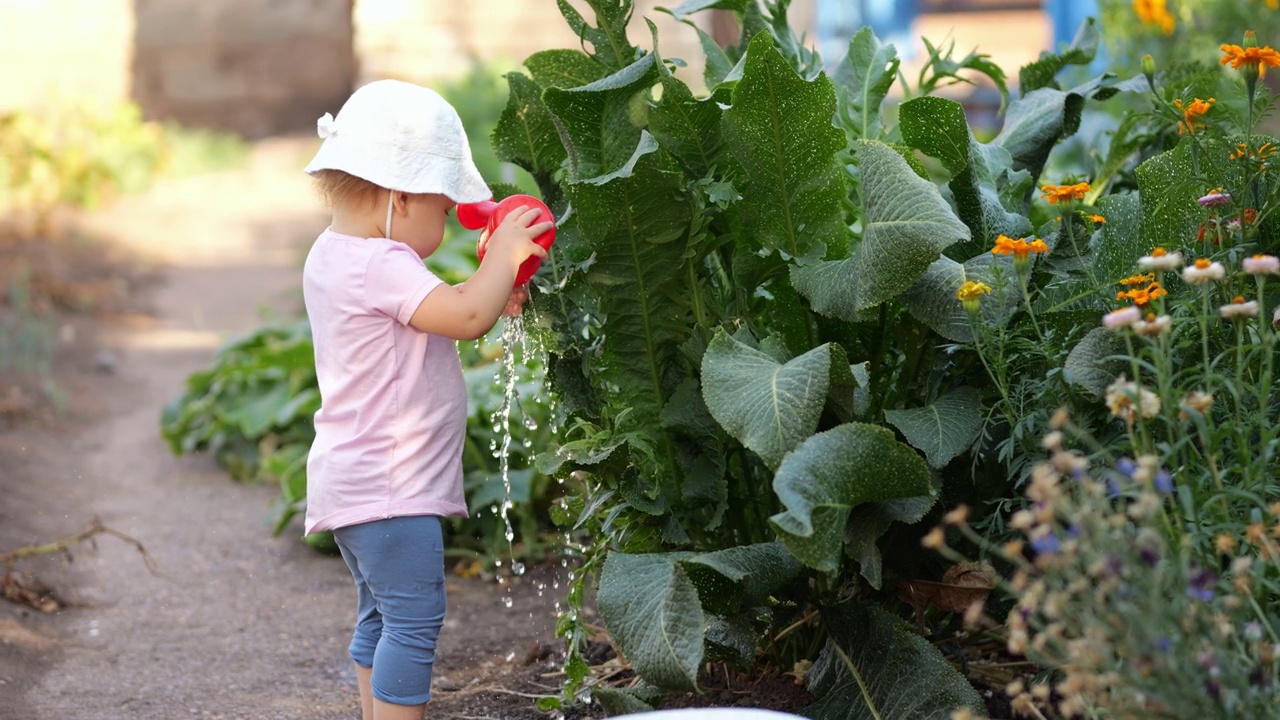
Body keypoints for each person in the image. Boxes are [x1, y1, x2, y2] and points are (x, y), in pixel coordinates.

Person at [300, 79, 552, 720]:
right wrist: (504, 257)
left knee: (381, 618)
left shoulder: (334, 255)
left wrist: (496, 282)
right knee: (414, 623)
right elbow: (467, 315)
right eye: (444, 210)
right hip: (392, 490)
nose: (446, 223)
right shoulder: (383, 263)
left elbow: (453, 308)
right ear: (399, 195)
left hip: (352, 483)